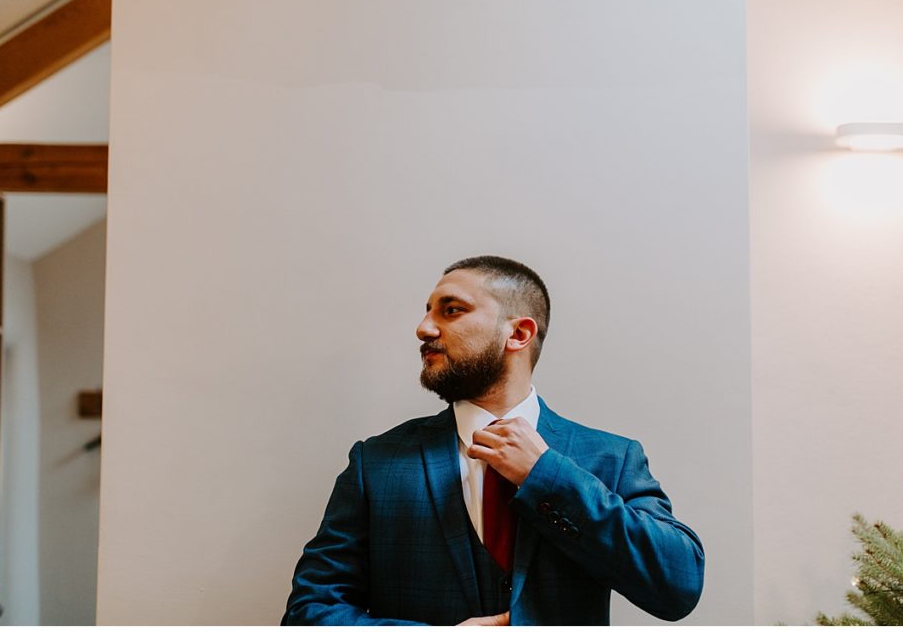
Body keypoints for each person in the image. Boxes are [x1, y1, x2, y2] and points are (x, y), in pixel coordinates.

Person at [282, 256, 704, 625]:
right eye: (428, 311)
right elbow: (309, 610)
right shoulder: (375, 462)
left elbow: (677, 586)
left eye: (452, 310)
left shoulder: (611, 457)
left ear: (518, 334)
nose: (424, 328)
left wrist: (548, 474)